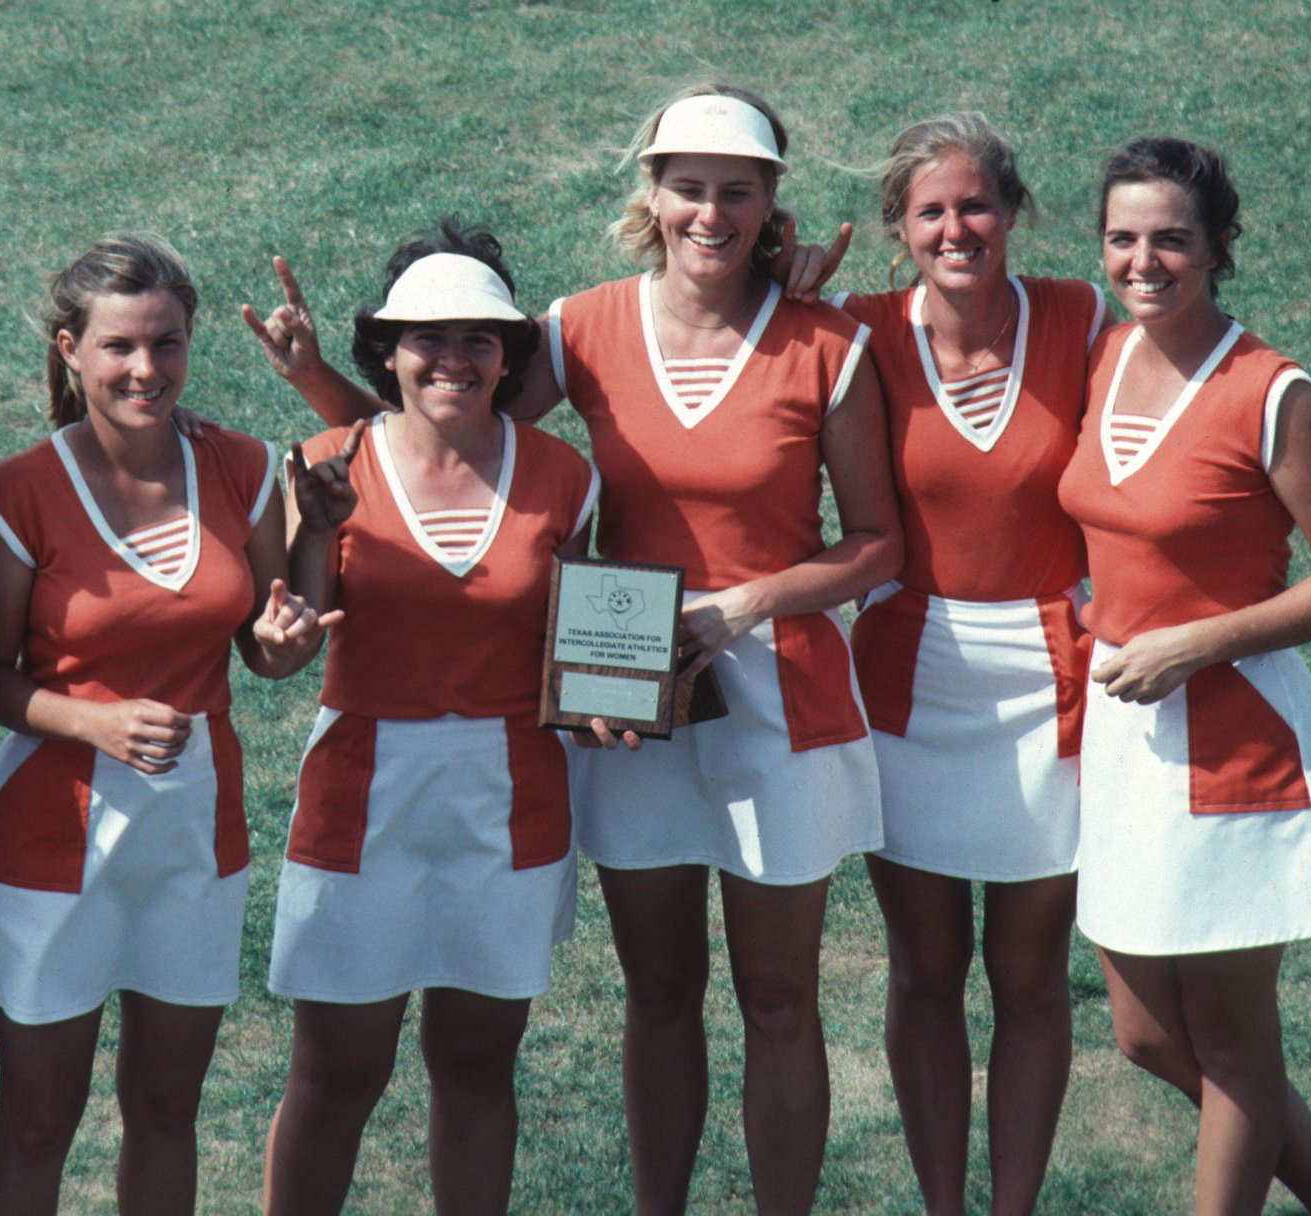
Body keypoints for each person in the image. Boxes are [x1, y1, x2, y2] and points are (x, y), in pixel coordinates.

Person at [247, 86, 900, 1215]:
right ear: (649, 194)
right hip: (623, 697)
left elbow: (880, 545)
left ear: (769, 202)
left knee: (781, 998)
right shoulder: (580, 323)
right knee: (659, 991)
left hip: (781, 691)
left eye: (735, 191)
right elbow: (441, 436)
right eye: (686, 187)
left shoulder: (826, 339)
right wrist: (317, 388)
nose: (709, 212)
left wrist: (743, 606)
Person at [1058, 136, 1311, 1216]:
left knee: (1229, 1037)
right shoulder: (1106, 356)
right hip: (1123, 733)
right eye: (1122, 238)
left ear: (1217, 247)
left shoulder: (1270, 391)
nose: (1143, 259)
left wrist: (1196, 641)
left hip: (1235, 737)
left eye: (1170, 238)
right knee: (1147, 1032)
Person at [0, 235, 332, 1216]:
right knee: (39, 1117)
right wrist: (91, 719)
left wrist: (287, 638)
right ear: (69, 348)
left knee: (166, 1108)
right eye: (121, 346)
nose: (146, 369)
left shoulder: (245, 467)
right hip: (51, 838)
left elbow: (263, 647)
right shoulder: (17, 490)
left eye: (167, 344)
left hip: (194, 837)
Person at [255, 222, 599, 1215]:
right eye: (427, 338)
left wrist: (614, 703)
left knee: (479, 1063)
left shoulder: (563, 475)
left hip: (512, 799)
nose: (452, 358)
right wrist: (289, 603)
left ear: (508, 355)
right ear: (387, 353)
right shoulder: (324, 461)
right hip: (361, 797)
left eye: (477, 338)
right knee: (334, 1074)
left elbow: (587, 647)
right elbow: (293, 638)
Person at [799, 113, 1107, 1216]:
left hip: (1051, 683)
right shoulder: (856, 332)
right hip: (905, 679)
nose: (956, 227)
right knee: (926, 972)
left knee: (1027, 979)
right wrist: (779, 297)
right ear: (897, 227)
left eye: (976, 204)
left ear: (1013, 211)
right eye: (930, 210)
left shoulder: (1080, 313)